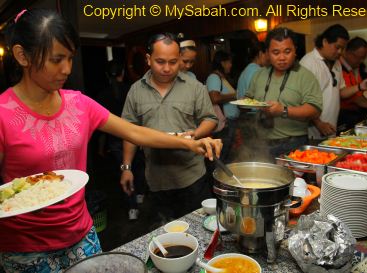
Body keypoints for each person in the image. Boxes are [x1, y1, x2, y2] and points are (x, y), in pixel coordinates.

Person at [0, 10, 222, 273]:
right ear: (22, 55)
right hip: (25, 248)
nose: (67, 69)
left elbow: (135, 132)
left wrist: (190, 143)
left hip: (81, 234)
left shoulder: (78, 103)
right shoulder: (3, 114)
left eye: (70, 58)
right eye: (56, 59)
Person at [120, 33, 218, 224]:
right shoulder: (136, 90)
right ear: (148, 59)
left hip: (192, 177)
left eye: (173, 62)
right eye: (160, 61)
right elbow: (129, 131)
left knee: (198, 229)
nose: (167, 68)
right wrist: (126, 167)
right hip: (157, 179)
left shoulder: (195, 87)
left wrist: (196, 133)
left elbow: (210, 119)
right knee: (165, 233)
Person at [245, 27, 323, 158]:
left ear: (295, 51)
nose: (282, 58)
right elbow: (248, 97)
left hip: (293, 143)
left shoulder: (305, 76)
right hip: (260, 141)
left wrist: (283, 110)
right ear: (268, 53)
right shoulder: (259, 74)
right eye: (275, 52)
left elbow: (314, 110)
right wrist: (251, 103)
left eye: (287, 51)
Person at [300, 24, 367, 140]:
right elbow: (302, 100)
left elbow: (341, 92)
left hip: (330, 128)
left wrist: (360, 86)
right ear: (324, 42)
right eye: (337, 47)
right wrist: (319, 123)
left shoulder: (336, 62)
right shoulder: (308, 63)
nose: (340, 52)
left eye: (343, 48)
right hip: (313, 131)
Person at [97, 59, 146, 221]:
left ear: (106, 75)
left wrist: (101, 147)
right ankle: (139, 195)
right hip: (134, 136)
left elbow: (102, 127)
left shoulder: (103, 95)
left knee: (126, 170)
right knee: (137, 166)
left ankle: (132, 207)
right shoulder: (131, 90)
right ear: (122, 73)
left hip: (115, 141)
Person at [206, 50, 239, 162]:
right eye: (229, 62)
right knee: (221, 156)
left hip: (229, 123)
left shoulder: (222, 78)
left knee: (227, 154)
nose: (231, 65)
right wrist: (234, 95)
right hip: (224, 124)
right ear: (222, 63)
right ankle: (217, 178)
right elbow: (214, 97)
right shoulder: (214, 77)